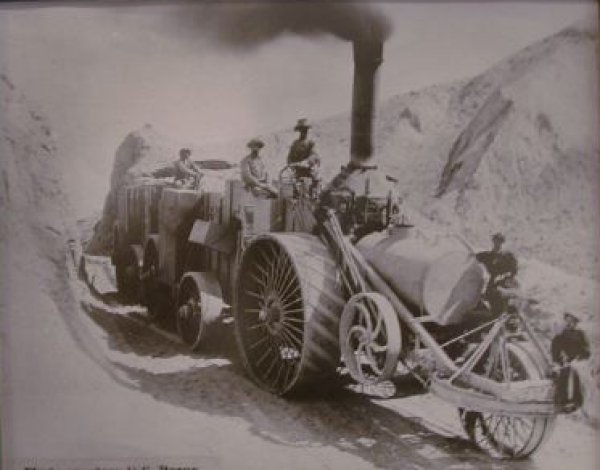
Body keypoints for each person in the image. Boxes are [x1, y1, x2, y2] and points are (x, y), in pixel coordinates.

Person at [551, 312, 590, 412]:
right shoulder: (561, 335)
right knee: (563, 375)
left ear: (575, 322)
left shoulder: (580, 334)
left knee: (577, 375)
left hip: (579, 362)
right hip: (564, 363)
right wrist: (558, 361)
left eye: (572, 321)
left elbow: (587, 350)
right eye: (567, 321)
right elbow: (555, 349)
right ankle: (563, 402)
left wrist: (578, 359)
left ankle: (577, 402)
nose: (569, 323)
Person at [476, 232, 519, 315]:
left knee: (499, 299)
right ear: (493, 242)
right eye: (496, 241)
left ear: (503, 243)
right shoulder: (488, 256)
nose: (497, 244)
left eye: (500, 242)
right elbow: (474, 258)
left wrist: (504, 277)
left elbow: (514, 271)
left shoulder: (508, 257)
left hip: (505, 284)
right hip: (492, 284)